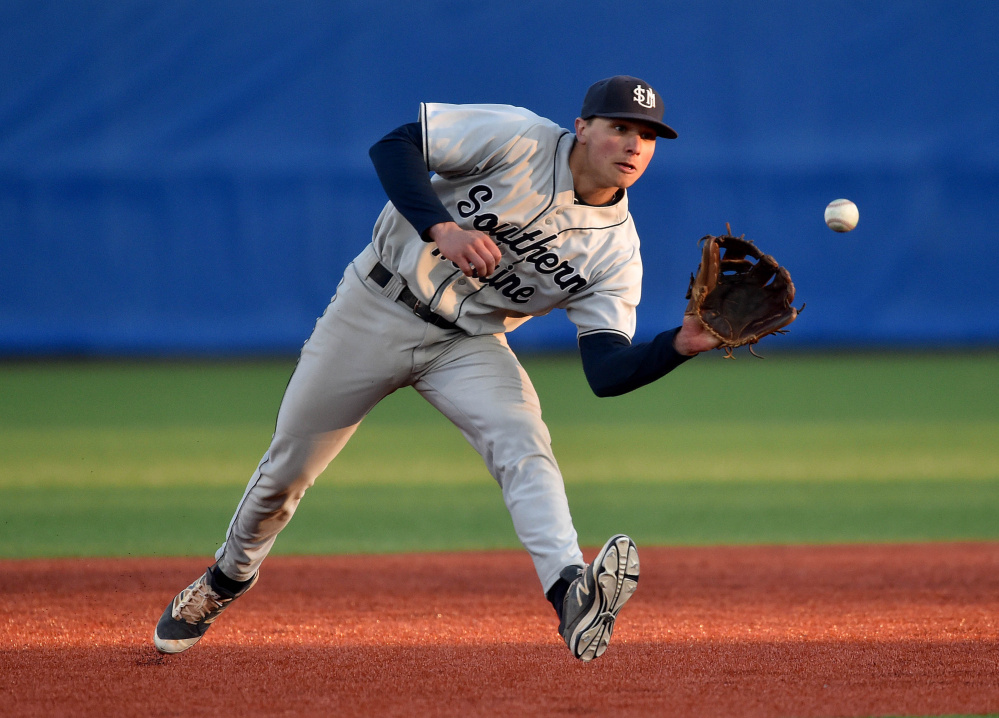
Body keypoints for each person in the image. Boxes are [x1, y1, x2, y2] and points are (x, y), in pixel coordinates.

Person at [153, 75, 720, 663]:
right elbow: (393, 146)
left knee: (523, 443)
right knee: (285, 473)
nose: (634, 145)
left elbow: (606, 372)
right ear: (582, 128)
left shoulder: (616, 253)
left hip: (467, 342)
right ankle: (227, 578)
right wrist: (441, 227)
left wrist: (677, 344)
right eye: (620, 127)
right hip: (374, 307)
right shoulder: (519, 137)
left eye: (648, 136)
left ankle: (569, 593)